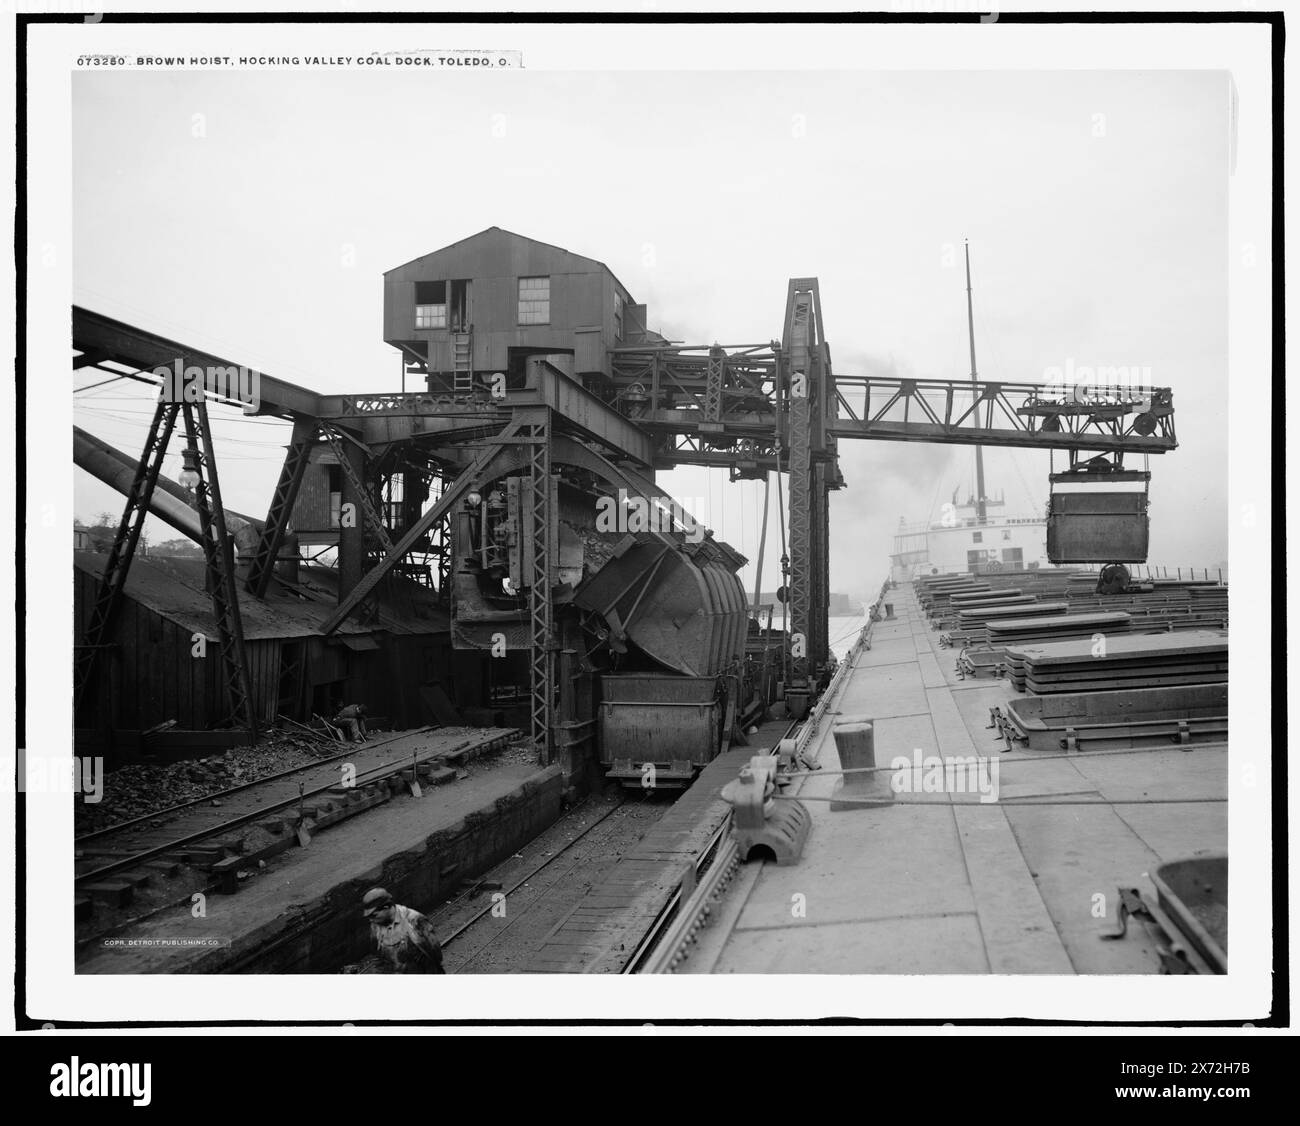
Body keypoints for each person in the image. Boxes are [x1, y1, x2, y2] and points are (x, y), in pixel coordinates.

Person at [361, 887, 445, 974]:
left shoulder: (414, 920)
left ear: (386, 907)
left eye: (374, 915)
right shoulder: (376, 925)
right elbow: (377, 956)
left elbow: (435, 952)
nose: (371, 920)